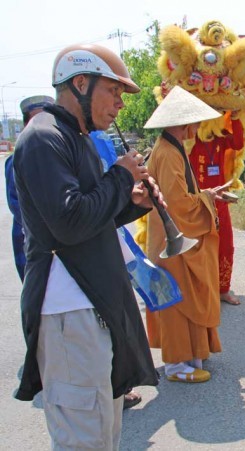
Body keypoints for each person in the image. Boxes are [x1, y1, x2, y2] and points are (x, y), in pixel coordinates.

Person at [13, 43, 160, 449]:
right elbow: (69, 222)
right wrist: (119, 176)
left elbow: (94, 219)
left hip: (93, 307)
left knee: (104, 432)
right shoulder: (43, 138)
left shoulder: (76, 138)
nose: (118, 105)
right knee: (85, 440)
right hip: (68, 314)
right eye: (112, 92)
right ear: (80, 83)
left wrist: (132, 204)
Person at [145, 85, 226, 383]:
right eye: (194, 121)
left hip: (174, 237)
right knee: (178, 299)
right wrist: (206, 200)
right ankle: (177, 366)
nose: (197, 127)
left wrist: (208, 194)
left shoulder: (173, 147)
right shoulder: (167, 152)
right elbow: (178, 204)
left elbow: (181, 194)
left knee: (186, 295)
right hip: (173, 239)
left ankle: (190, 356)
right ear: (182, 123)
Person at [189, 110, 244, 305]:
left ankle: (223, 289)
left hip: (220, 201)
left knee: (226, 246)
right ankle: (200, 289)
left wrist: (235, 117)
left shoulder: (221, 138)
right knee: (199, 246)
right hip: (197, 202)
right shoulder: (191, 138)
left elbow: (238, 143)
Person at [5, 95, 54, 282]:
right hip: (31, 241)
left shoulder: (57, 154)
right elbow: (18, 207)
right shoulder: (17, 158)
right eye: (37, 120)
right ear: (26, 124)